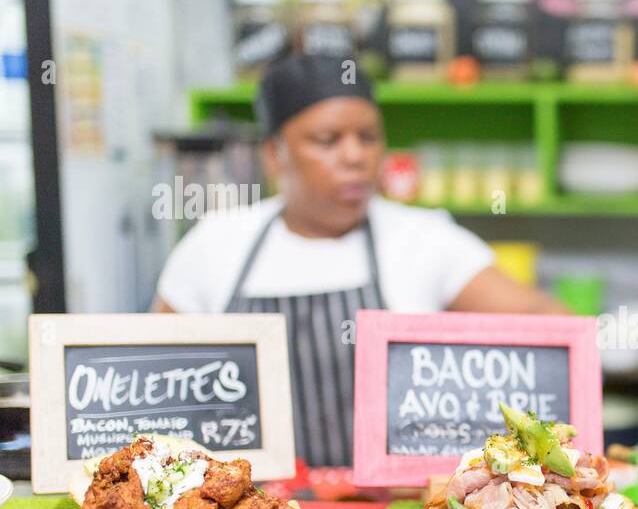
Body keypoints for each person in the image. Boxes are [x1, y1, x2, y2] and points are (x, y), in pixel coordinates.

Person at [154, 54, 566, 467]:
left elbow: (547, 320)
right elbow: (155, 380)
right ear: (275, 155)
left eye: (368, 137)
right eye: (328, 140)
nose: (355, 157)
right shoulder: (217, 243)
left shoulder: (422, 238)